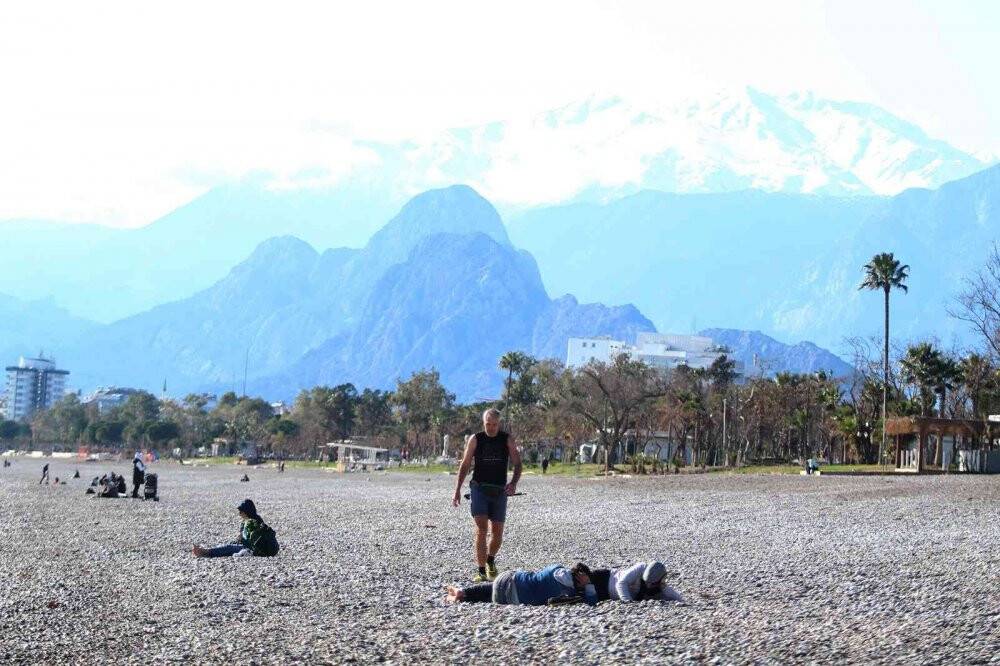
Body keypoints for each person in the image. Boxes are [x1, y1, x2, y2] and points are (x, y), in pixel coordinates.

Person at [452, 408, 522, 582]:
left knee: (497, 532)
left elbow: (518, 463)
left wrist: (513, 483)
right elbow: (465, 464)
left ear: (499, 424)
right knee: (482, 529)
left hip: (499, 490)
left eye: (494, 424)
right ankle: (481, 570)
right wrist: (457, 490)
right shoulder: (476, 439)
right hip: (479, 488)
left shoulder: (507, 439)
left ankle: (490, 559)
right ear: (483, 423)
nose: (490, 428)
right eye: (487, 424)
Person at [445, 563, 598, 606]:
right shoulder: (568, 592)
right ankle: (466, 598)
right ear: (581, 577)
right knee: (493, 597)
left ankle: (464, 592)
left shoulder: (556, 568)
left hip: (508, 578)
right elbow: (592, 601)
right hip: (511, 599)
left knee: (495, 586)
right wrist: (588, 585)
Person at [192, 499, 279, 558]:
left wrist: (239, 540)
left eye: (241, 511)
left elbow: (250, 540)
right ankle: (209, 551)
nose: (239, 513)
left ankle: (206, 553)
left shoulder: (253, 522)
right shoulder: (250, 520)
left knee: (229, 547)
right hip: (254, 547)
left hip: (255, 550)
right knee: (229, 545)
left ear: (247, 511)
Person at [590, 561, 683, 603]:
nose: (648, 585)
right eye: (647, 582)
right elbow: (621, 583)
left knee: (587, 597)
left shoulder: (659, 587)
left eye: (652, 584)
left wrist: (682, 602)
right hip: (605, 579)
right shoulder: (640, 568)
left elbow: (675, 597)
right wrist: (628, 602)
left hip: (606, 595)